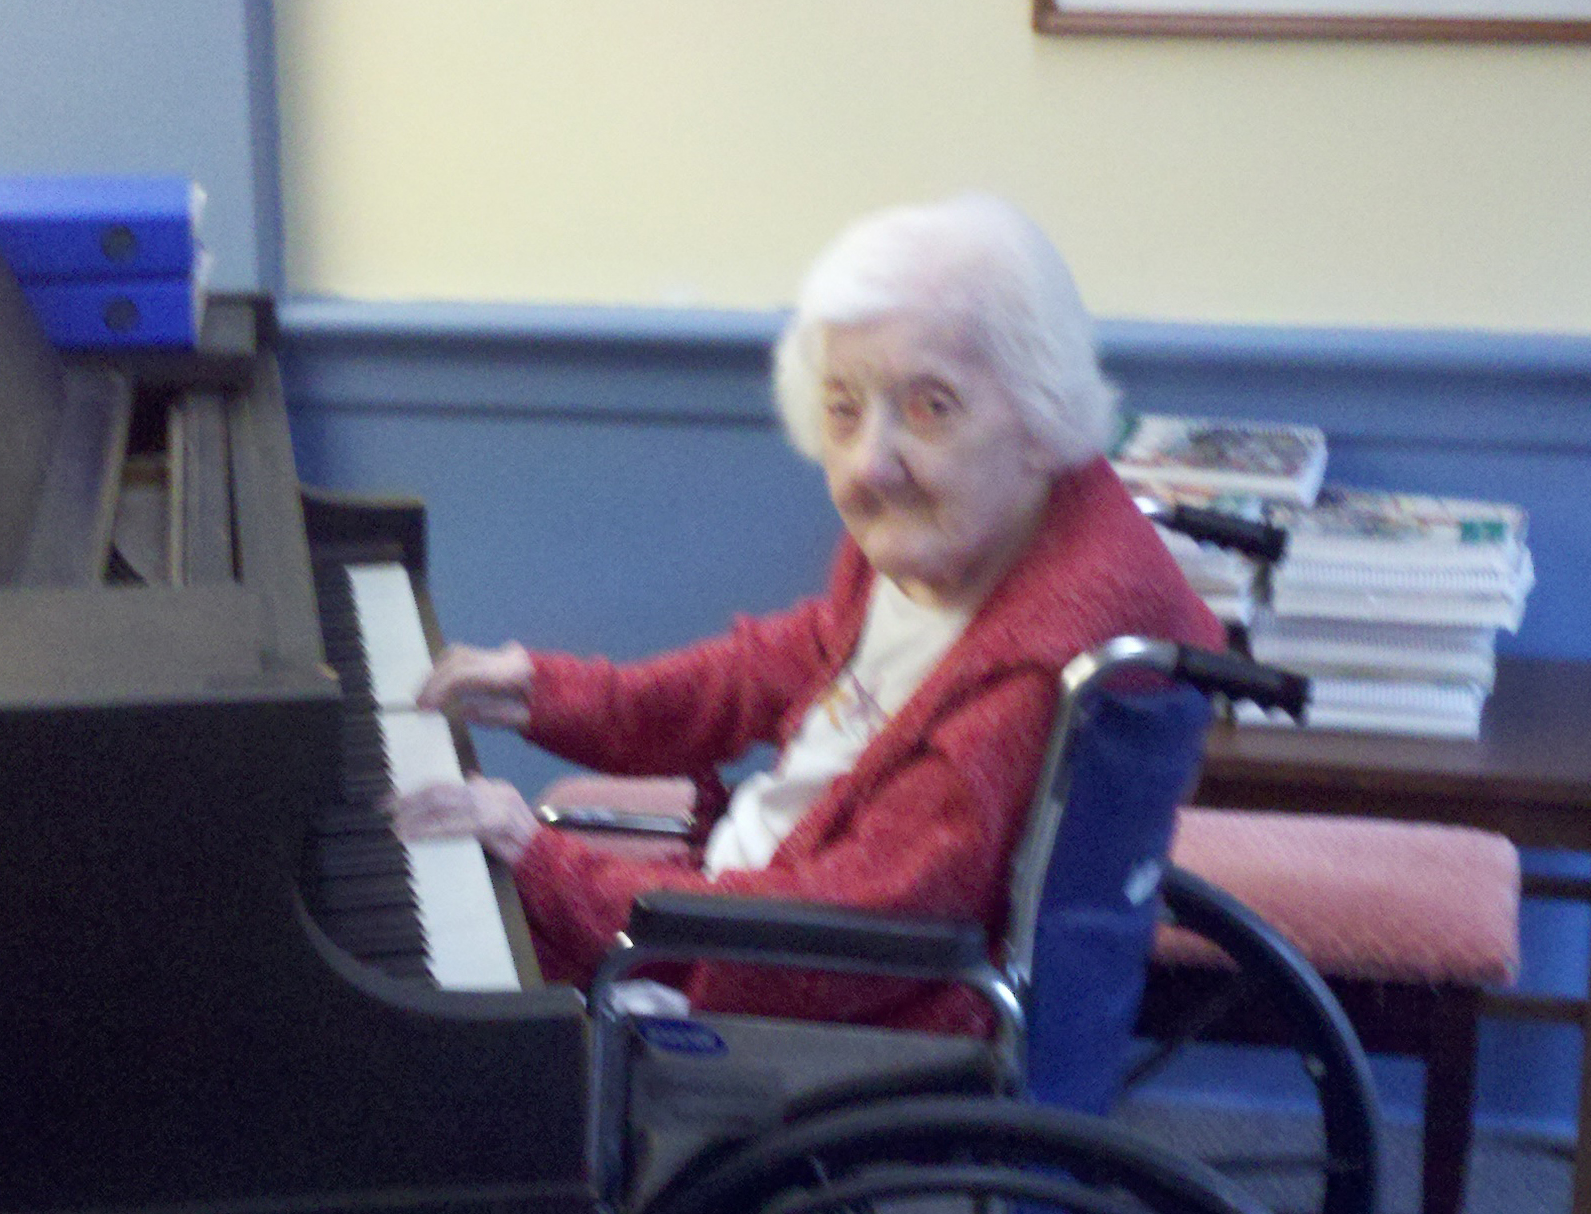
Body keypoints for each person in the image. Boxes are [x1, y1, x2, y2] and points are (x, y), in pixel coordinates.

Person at [393, 193, 1223, 1032]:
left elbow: (834, 939)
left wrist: (545, 863)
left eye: (931, 406)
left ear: (1042, 417)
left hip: (795, 1009)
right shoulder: (958, 538)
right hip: (740, 910)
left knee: (427, 1006)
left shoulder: (1031, 665)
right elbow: (781, 664)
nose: (870, 465)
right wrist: (547, 689)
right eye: (843, 408)